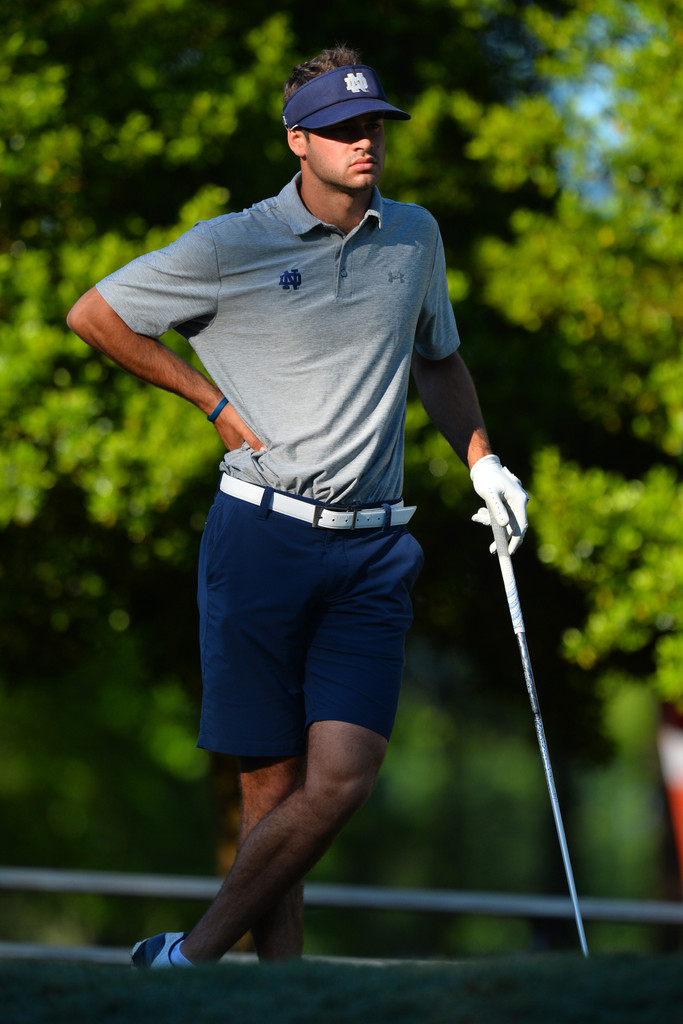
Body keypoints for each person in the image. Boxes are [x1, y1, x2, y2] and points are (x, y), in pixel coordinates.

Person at [66, 46, 528, 967]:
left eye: (376, 128)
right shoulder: (230, 244)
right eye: (347, 130)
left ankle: (187, 958)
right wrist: (212, 405)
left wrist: (481, 461)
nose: (368, 144)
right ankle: (281, 994)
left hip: (372, 550)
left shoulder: (415, 237)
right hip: (261, 539)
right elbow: (96, 313)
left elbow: (436, 358)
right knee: (269, 794)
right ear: (298, 142)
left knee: (343, 778)